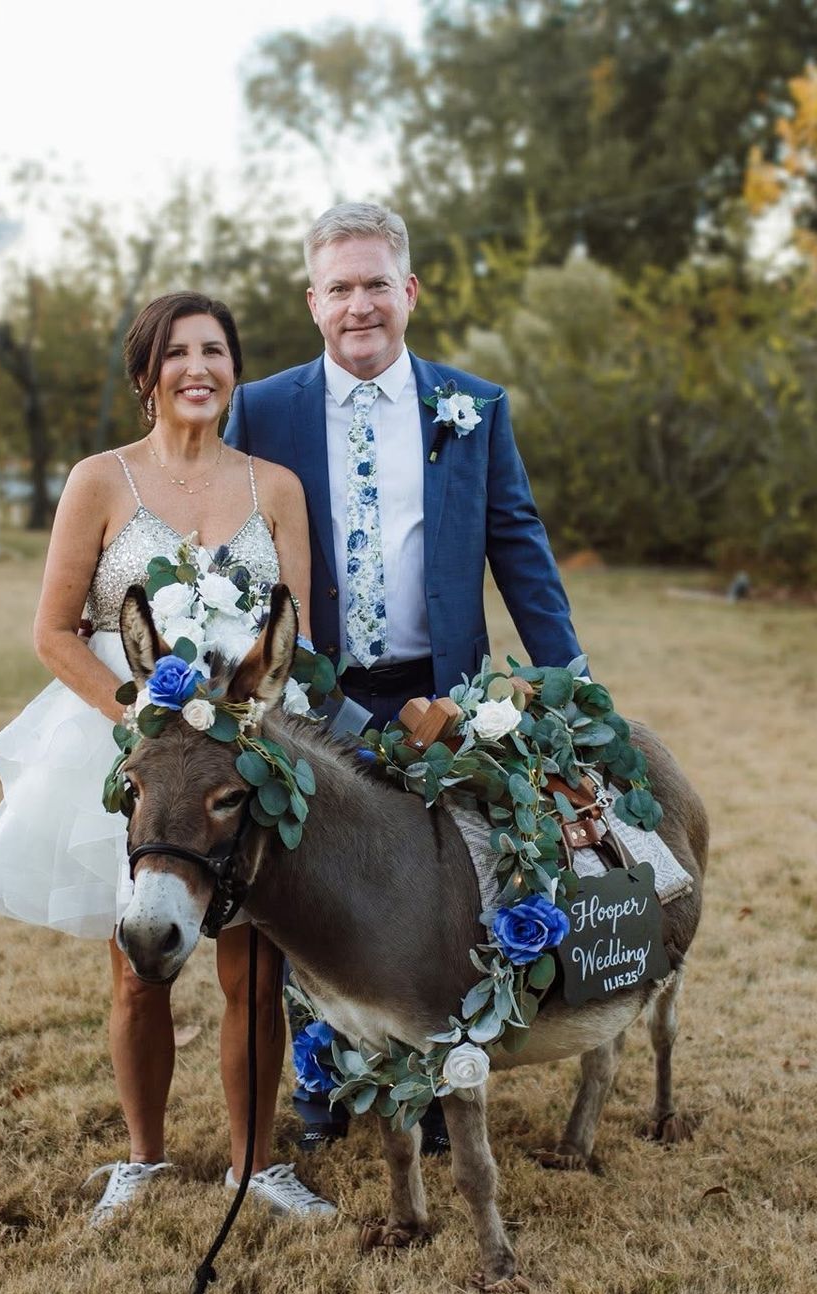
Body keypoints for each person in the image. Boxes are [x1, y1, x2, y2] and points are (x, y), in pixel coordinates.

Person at [0, 292, 335, 1226]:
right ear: (145, 374)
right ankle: (143, 1157)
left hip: (242, 762)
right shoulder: (100, 480)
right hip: (131, 750)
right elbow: (54, 631)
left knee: (256, 971)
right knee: (139, 963)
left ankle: (255, 1165)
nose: (197, 368)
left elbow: (298, 638)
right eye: (177, 353)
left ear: (235, 369)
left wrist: (243, 720)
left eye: (215, 351)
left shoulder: (277, 488)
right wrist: (138, 711)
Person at [225, 202, 583, 1152]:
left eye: (377, 283)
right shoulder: (262, 409)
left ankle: (430, 1085)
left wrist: (570, 678)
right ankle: (324, 1088)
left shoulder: (473, 406)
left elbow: (518, 542)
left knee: (439, 889)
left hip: (440, 693)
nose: (360, 306)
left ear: (410, 291)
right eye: (339, 287)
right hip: (310, 693)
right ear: (312, 301)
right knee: (310, 884)